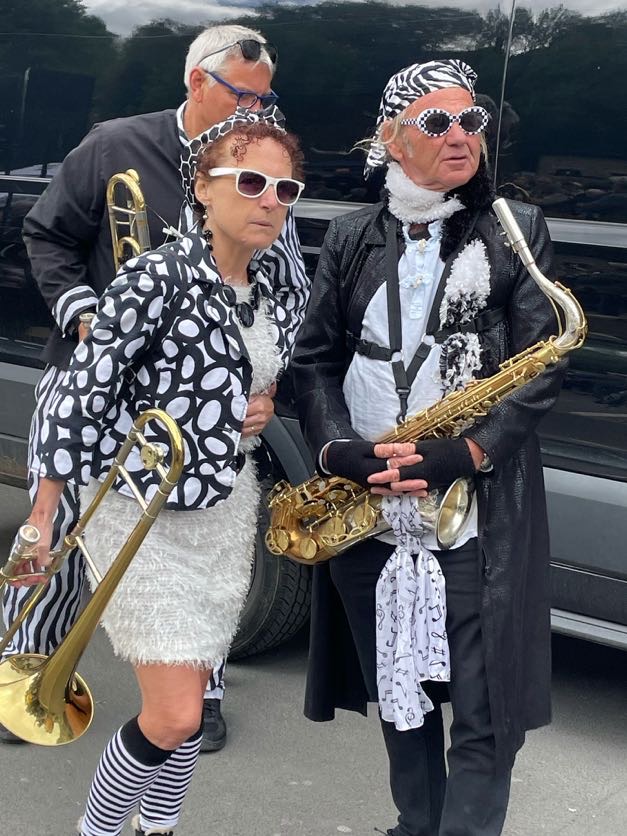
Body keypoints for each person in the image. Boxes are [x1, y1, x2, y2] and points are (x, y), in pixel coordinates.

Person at [2, 23, 308, 751]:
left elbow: (287, 283)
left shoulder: (260, 165)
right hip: (99, 375)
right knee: (71, 530)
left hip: (197, 404)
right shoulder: (115, 144)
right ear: (197, 82)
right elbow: (47, 235)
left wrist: (263, 383)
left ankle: (199, 695)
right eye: (242, 96)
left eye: (265, 100)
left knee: (206, 550)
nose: (255, 113)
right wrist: (85, 317)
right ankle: (29, 672)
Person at [291, 60, 566, 836]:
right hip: (367, 506)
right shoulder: (349, 235)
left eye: (471, 122)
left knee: (484, 711)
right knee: (400, 693)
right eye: (437, 123)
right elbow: (312, 362)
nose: (460, 138)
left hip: (473, 507)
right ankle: (416, 825)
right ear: (389, 138)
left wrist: (467, 454)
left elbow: (539, 366)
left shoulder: (513, 227)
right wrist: (336, 451)